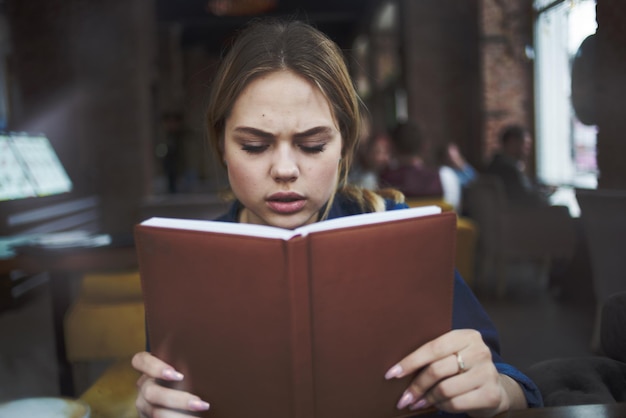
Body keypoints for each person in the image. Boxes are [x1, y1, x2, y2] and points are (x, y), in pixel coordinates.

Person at [131, 19, 542, 417]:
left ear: (344, 146)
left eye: (312, 145)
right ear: (221, 144)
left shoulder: (395, 230)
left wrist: (498, 391)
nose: (285, 169)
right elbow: (170, 385)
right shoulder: (185, 257)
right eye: (255, 146)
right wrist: (161, 404)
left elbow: (509, 383)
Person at [379, 121, 462, 210]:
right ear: (425, 146)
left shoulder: (382, 181)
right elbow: (453, 212)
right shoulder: (446, 176)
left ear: (392, 147)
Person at [485, 125, 554, 207]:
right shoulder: (507, 169)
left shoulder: (497, 165)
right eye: (525, 145)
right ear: (512, 143)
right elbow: (526, 199)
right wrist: (545, 193)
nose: (528, 150)